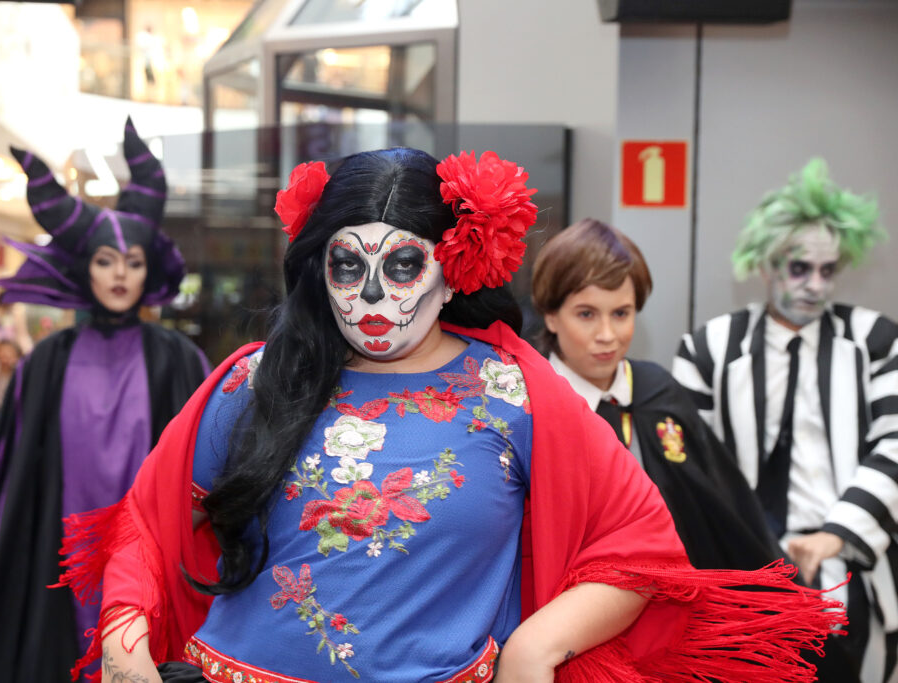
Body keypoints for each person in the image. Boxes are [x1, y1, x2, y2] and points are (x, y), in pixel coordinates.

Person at [58, 148, 841, 683]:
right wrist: (125, 643)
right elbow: (150, 524)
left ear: (455, 267)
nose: (370, 295)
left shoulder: (515, 390)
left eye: (403, 265)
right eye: (347, 264)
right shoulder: (257, 379)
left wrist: (536, 646)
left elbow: (638, 546)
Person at [0, 118, 210, 683]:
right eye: (105, 260)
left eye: (132, 262)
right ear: (85, 269)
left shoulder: (177, 359)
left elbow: (209, 460)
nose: (120, 274)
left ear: (148, 269)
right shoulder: (49, 360)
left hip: (150, 559)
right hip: (57, 563)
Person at [673, 158, 893, 682]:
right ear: (766, 265)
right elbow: (690, 472)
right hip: (742, 567)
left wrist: (836, 534)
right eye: (799, 268)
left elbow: (896, 442)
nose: (815, 285)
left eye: (828, 270)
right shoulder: (708, 349)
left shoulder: (876, 341)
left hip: (846, 562)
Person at [531, 218, 782, 571]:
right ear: (551, 317)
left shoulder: (657, 390)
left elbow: (724, 507)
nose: (607, 335)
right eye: (586, 314)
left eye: (621, 313)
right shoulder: (528, 401)